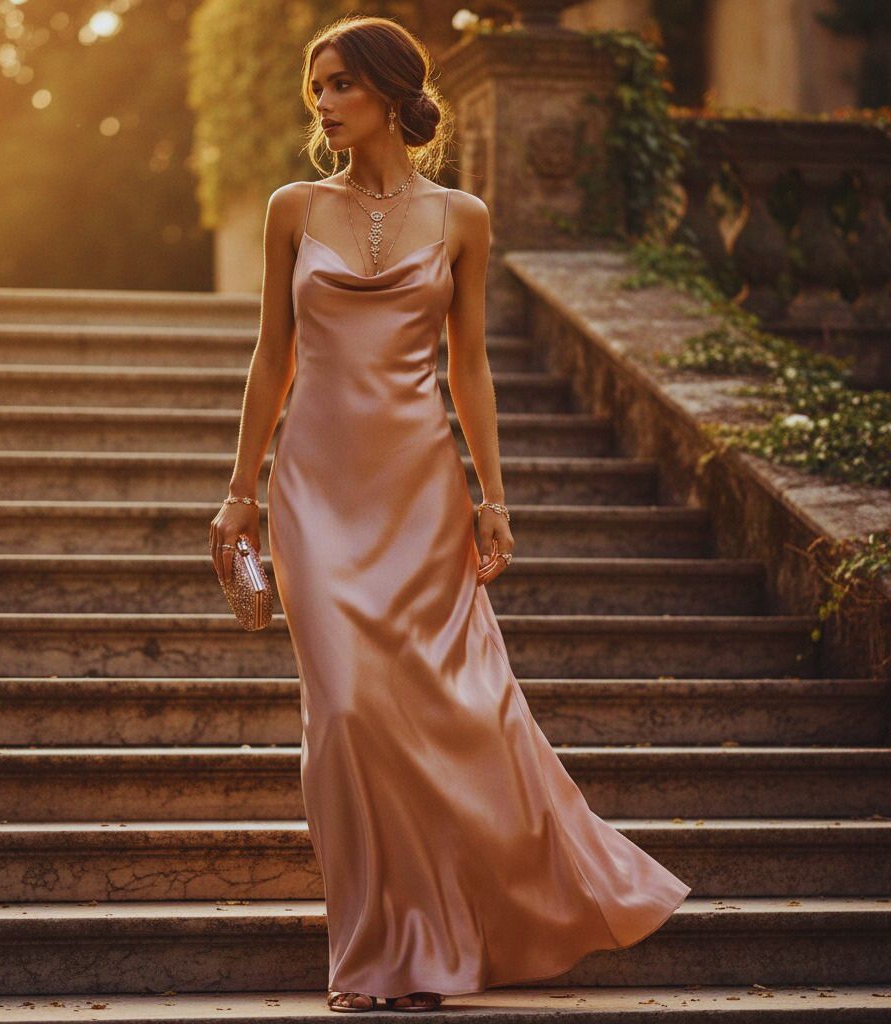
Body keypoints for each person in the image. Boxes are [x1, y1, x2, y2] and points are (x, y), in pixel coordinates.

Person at [209, 13, 692, 1015]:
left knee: (437, 710)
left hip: (420, 486)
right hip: (313, 488)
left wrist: (493, 495)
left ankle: (439, 936)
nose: (323, 102)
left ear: (389, 91)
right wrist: (240, 489)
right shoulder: (292, 208)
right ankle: (376, 950)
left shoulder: (463, 216)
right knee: (343, 715)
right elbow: (273, 355)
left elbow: (467, 364)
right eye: (318, 87)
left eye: (339, 83)